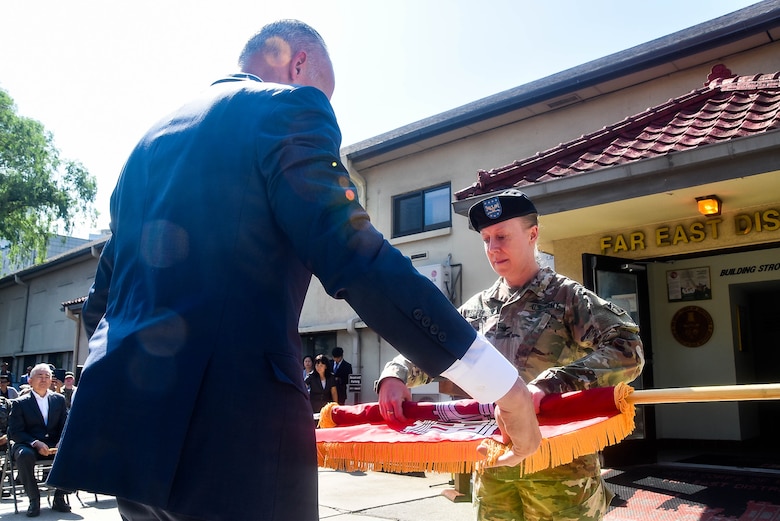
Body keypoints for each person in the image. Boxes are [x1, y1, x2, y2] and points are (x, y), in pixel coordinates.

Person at [48, 20, 541, 521]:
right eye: (325, 91)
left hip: (126, 431)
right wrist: (504, 387)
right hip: (233, 432)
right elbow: (357, 257)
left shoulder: (146, 148)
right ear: (297, 64)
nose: (325, 106)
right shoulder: (287, 109)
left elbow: (101, 303)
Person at [378, 190, 645, 521]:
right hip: (493, 463)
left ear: (533, 235)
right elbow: (434, 348)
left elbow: (628, 349)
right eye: (486, 239)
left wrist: (551, 384)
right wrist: (395, 373)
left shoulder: (567, 297)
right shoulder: (478, 308)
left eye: (502, 236)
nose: (493, 248)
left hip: (559, 467)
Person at [8, 363, 71, 516]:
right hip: (28, 443)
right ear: (30, 380)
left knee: (73, 451)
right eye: (39, 376)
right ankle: (34, 500)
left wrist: (61, 441)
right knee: (24, 455)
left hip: (53, 444)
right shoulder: (19, 402)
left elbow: (65, 424)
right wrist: (35, 443)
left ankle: (59, 496)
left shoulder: (59, 400)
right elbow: (15, 432)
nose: (44, 379)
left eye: (47, 376)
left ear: (51, 381)